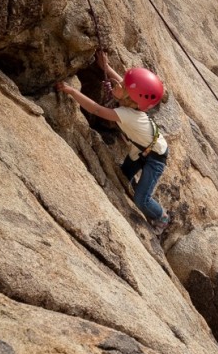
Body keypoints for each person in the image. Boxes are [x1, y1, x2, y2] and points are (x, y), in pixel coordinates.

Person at [56, 51, 171, 233]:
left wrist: (72, 91)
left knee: (141, 199)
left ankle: (161, 217)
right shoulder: (131, 101)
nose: (119, 83)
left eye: (122, 86)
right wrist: (107, 68)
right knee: (123, 175)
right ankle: (135, 184)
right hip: (143, 148)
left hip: (156, 157)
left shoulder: (127, 114)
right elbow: (127, 86)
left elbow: (96, 109)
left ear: (129, 98)